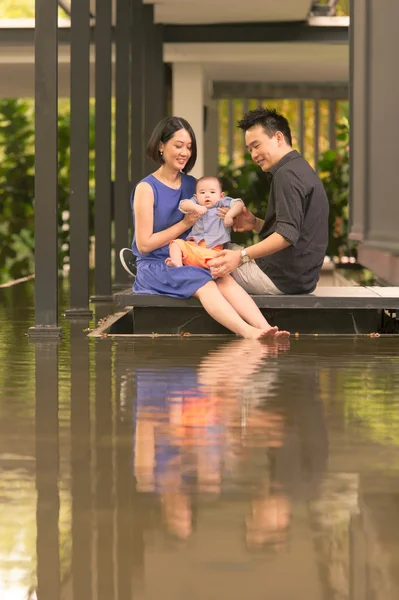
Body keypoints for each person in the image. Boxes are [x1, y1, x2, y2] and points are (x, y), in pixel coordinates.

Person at [129, 115, 289, 339]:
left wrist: (228, 216)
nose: (185, 152)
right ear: (161, 146)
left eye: (189, 147)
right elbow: (144, 245)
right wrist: (184, 224)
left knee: (224, 277)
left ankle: (265, 328)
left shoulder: (192, 185)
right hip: (158, 265)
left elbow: (216, 212)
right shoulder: (146, 188)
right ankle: (248, 333)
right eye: (178, 146)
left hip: (192, 256)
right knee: (206, 283)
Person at [208, 107, 329, 296]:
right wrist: (255, 223)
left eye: (257, 146)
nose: (254, 155)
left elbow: (286, 236)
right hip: (298, 279)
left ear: (279, 137)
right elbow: (297, 232)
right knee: (220, 249)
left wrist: (240, 256)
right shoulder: (300, 168)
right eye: (249, 149)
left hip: (279, 279)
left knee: (207, 253)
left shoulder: (286, 175)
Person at [166, 176, 244, 269]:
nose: (207, 195)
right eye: (202, 192)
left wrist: (230, 215)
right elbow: (183, 205)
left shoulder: (222, 203)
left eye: (212, 192)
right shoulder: (196, 203)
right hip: (193, 247)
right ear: (196, 196)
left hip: (213, 251)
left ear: (221, 195)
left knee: (219, 261)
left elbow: (239, 203)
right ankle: (177, 264)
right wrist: (195, 207)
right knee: (175, 243)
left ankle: (214, 271)